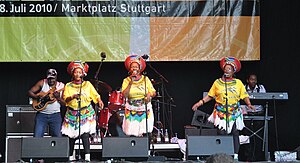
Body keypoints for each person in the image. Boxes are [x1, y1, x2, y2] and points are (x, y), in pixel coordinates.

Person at [192, 56, 255, 160]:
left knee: (235, 133)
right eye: (226, 68)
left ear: (233, 71)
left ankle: (235, 156)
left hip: (234, 112)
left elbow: (244, 95)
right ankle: (223, 156)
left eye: (229, 69)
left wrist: (249, 104)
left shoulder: (238, 83)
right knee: (222, 133)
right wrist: (199, 103)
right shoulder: (217, 83)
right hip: (221, 112)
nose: (227, 70)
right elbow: (210, 96)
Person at [61, 60, 104, 162]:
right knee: (71, 136)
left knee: (85, 134)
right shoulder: (68, 85)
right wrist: (73, 96)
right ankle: (71, 157)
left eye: (80, 72)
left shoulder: (87, 84)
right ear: (72, 73)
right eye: (76, 72)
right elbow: (65, 99)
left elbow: (95, 95)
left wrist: (99, 101)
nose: (78, 74)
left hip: (85, 112)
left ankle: (87, 158)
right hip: (72, 113)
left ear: (83, 74)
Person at [121, 54, 156, 137]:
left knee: (145, 132)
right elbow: (125, 95)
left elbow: (153, 92)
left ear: (140, 68)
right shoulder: (126, 80)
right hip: (131, 108)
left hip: (144, 108)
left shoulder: (145, 79)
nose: (134, 68)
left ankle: (147, 149)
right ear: (130, 69)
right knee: (132, 132)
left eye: (136, 67)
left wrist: (149, 94)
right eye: (132, 67)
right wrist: (130, 82)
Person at [28, 68, 65, 137]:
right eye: (49, 79)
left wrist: (58, 98)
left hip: (55, 115)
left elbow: (65, 103)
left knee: (58, 138)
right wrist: (37, 97)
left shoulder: (62, 86)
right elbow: (30, 92)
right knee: (37, 137)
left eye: (53, 78)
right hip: (42, 115)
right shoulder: (42, 82)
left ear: (56, 77)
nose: (51, 80)